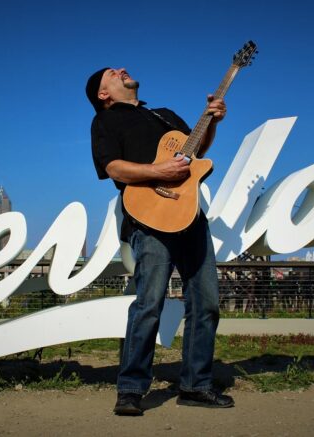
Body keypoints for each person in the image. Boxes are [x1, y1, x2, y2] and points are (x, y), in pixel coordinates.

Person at [86, 67, 234, 416]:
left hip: (190, 215)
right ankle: (131, 388)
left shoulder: (164, 114)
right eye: (112, 73)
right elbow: (114, 169)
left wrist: (211, 121)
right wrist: (158, 172)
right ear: (103, 94)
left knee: (207, 302)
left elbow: (193, 152)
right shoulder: (106, 122)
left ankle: (196, 386)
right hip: (148, 217)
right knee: (148, 303)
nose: (121, 70)